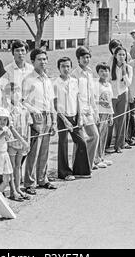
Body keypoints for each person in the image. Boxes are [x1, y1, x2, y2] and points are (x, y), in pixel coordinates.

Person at [22, 49, 58, 195]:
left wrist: (54, 120)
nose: (43, 62)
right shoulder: (28, 79)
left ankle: (42, 179)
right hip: (36, 118)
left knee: (45, 150)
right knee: (34, 151)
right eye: (39, 59)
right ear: (32, 61)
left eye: (44, 59)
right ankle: (29, 183)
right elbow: (22, 101)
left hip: (48, 116)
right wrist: (33, 111)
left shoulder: (47, 80)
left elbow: (51, 102)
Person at [53, 57, 91, 181]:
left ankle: (81, 170)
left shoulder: (74, 81)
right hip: (62, 117)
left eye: (68, 66)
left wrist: (79, 117)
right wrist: (65, 120)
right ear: (59, 68)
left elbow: (77, 99)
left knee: (82, 142)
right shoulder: (55, 83)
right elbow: (55, 105)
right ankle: (64, 172)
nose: (66, 69)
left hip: (75, 116)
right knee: (63, 144)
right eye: (63, 66)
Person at [72, 47, 105, 170]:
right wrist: (79, 114)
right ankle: (77, 166)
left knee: (94, 136)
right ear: (78, 59)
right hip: (79, 111)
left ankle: (89, 164)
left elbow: (91, 94)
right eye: (83, 57)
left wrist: (95, 111)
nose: (86, 59)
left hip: (89, 109)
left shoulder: (90, 72)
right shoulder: (75, 74)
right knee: (80, 140)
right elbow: (75, 95)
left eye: (88, 57)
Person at [7, 85, 32, 201]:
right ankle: (13, 191)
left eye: (18, 91)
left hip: (22, 143)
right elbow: (11, 128)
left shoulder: (24, 109)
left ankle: (18, 188)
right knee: (12, 167)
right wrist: (22, 140)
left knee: (18, 166)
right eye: (13, 92)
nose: (16, 94)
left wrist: (28, 141)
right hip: (13, 142)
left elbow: (28, 126)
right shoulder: (8, 110)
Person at [107, 46, 133, 153]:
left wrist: (124, 73)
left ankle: (119, 144)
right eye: (119, 54)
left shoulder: (128, 68)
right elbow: (107, 81)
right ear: (115, 56)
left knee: (121, 120)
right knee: (110, 120)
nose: (122, 57)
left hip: (123, 94)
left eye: (123, 55)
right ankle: (106, 144)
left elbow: (128, 83)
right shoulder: (110, 66)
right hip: (112, 96)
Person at [94, 62, 114, 166]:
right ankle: (96, 158)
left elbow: (110, 100)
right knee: (98, 135)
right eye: (101, 71)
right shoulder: (96, 85)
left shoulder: (109, 85)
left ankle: (102, 157)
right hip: (100, 112)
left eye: (106, 70)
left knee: (104, 136)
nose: (104, 73)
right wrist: (100, 103)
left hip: (107, 113)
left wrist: (111, 115)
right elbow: (93, 100)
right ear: (98, 72)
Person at [4, 40, 35, 104]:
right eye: (17, 51)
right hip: (14, 105)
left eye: (22, 50)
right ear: (13, 53)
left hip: (31, 105)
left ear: (26, 52)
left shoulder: (32, 69)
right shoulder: (7, 70)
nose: (20, 53)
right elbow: (5, 92)